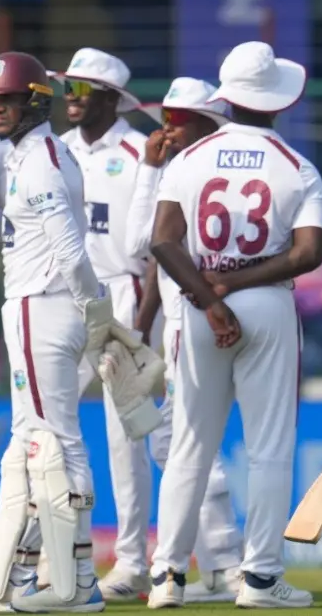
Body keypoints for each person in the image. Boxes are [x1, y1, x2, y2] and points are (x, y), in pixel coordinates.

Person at [146, 41, 322, 609]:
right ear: (278, 100)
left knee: (189, 446)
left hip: (198, 307)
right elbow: (309, 254)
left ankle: (166, 576)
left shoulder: (189, 159)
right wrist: (234, 286)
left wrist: (210, 297)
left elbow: (162, 242)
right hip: (266, 303)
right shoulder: (296, 166)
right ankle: (261, 580)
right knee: (268, 448)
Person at [0, 51, 116, 613]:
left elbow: (69, 247)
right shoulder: (34, 153)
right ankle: (12, 580)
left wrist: (94, 308)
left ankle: (78, 583)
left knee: (56, 445)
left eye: (9, 100)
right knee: (26, 449)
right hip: (37, 307)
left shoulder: (42, 159)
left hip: (43, 307)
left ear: (36, 103)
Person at [127, 78, 245, 602]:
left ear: (207, 123)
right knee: (177, 440)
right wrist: (141, 325)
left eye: (179, 120)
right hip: (190, 316)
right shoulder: (208, 167)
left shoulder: (186, 171)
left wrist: (150, 170)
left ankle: (228, 566)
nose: (168, 129)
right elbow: (153, 259)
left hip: (199, 317)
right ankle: (222, 566)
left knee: (189, 440)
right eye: (166, 118)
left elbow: (141, 244)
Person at [54, 47, 158, 599]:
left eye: (81, 90)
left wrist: (142, 319)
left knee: (128, 436)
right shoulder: (54, 150)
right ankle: (52, 553)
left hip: (121, 293)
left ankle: (133, 561)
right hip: (63, 298)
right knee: (48, 424)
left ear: (112, 99)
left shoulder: (140, 152)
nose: (69, 98)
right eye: (66, 88)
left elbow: (155, 245)